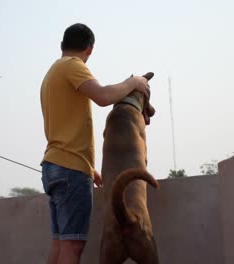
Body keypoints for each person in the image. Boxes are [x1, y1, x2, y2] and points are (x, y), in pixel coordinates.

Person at [40, 23, 150, 264]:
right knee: (72, 246)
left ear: (62, 44)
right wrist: (134, 83)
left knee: (59, 244)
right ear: (90, 49)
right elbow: (103, 96)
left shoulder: (51, 73)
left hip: (54, 166)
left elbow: (63, 128)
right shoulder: (72, 66)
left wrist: (90, 169)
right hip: (70, 171)